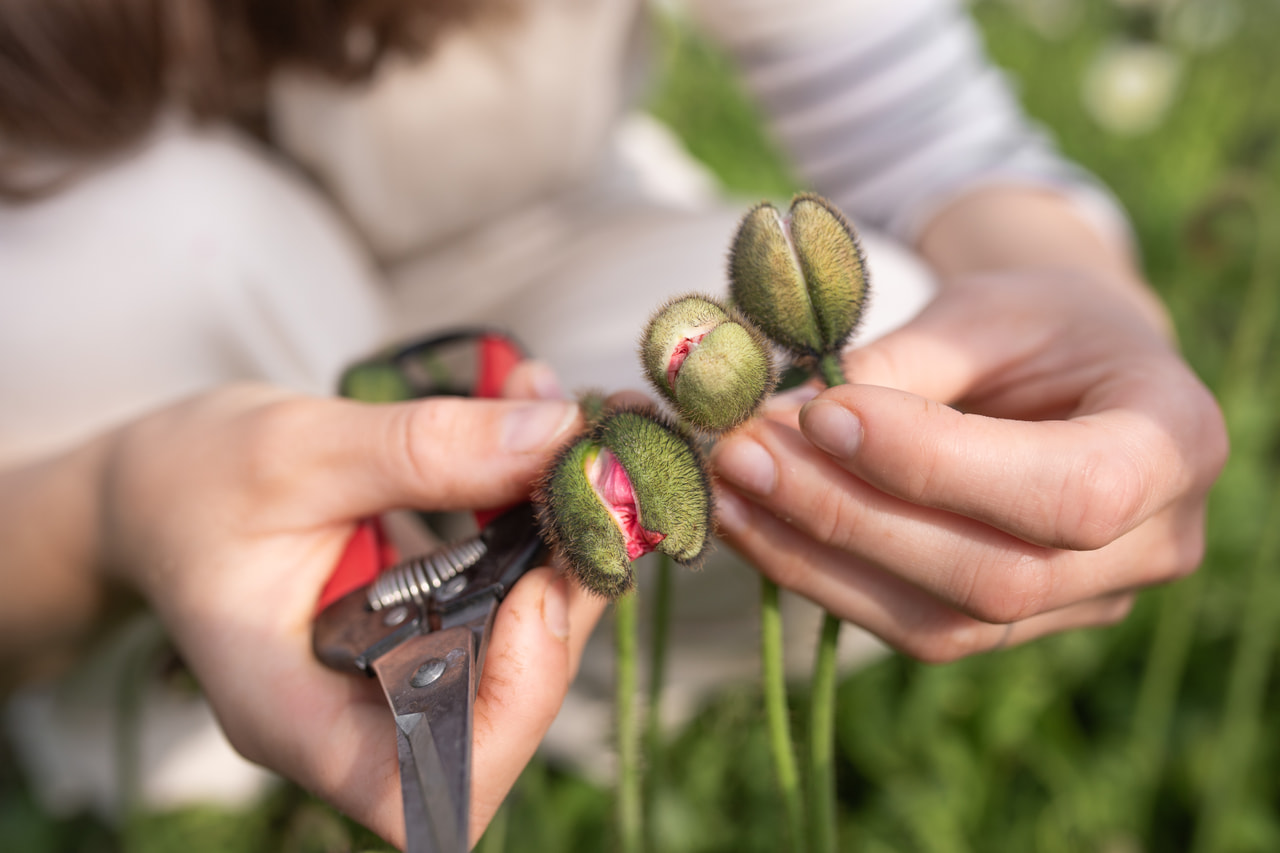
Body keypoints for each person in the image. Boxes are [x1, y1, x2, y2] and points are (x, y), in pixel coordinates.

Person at [0, 0, 1228, 847]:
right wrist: (108, 508)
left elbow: (931, 137)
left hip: (537, 259)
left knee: (892, 362)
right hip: (115, 397)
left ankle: (507, 675)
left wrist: (1092, 314)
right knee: (169, 245)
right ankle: (154, 677)